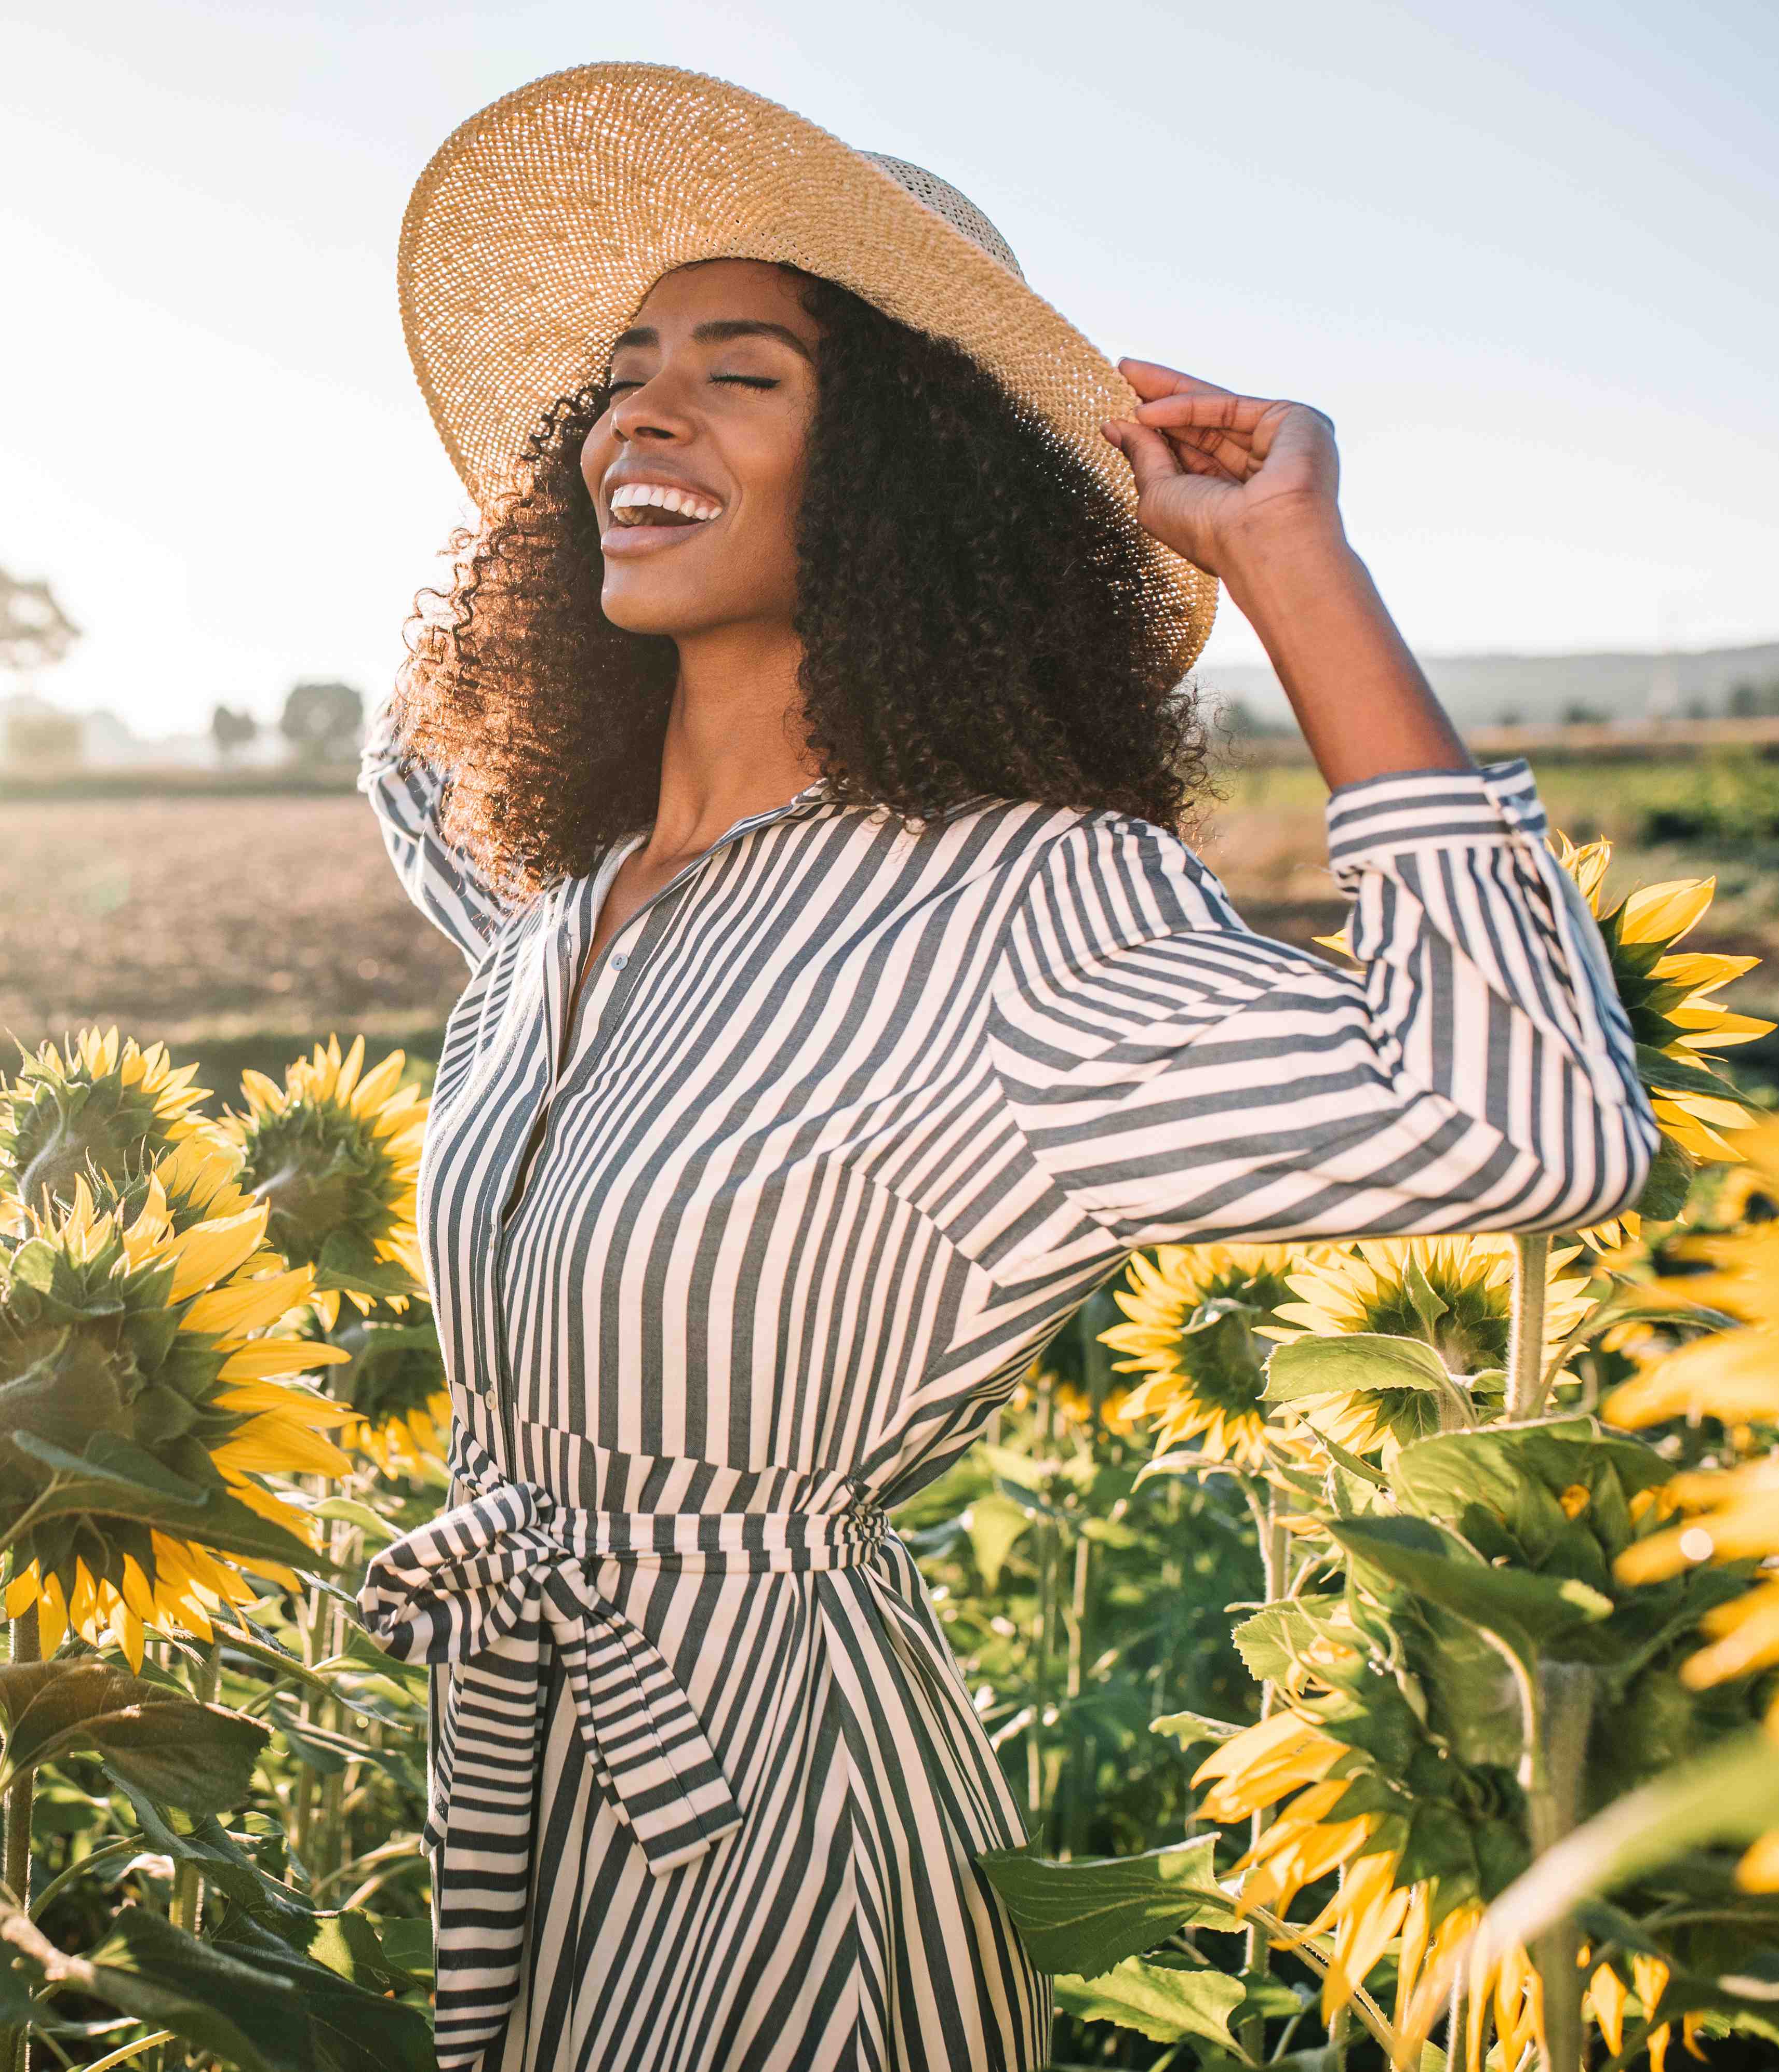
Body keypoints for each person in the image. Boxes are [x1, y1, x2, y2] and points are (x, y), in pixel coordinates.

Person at [351, 62, 1653, 2072]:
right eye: (616, 372)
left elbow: (1536, 1119)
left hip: (776, 1827)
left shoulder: (1023, 915)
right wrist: (540, 626)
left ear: (905, 476)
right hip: (519, 1793)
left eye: (747, 372)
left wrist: (1292, 562)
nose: (641, 412)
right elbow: (414, 761)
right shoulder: (566, 906)